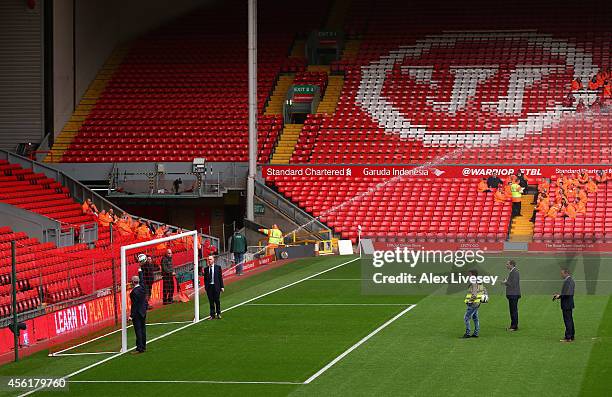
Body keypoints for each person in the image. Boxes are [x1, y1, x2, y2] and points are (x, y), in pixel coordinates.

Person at [553, 268, 575, 342]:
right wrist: (559, 295)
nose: (561, 275)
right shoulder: (570, 281)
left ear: (566, 273)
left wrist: (559, 296)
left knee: (567, 321)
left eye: (562, 273)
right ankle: (571, 335)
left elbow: (567, 294)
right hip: (569, 303)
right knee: (570, 320)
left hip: (566, 304)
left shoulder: (568, 281)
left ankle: (568, 337)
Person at [462, 269, 486, 338]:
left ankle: (468, 333)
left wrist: (470, 301)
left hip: (473, 303)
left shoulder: (474, 282)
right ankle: (476, 333)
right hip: (478, 303)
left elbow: (474, 294)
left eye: (469, 274)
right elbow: (484, 290)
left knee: (466, 318)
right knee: (475, 317)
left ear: (472, 274)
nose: (468, 276)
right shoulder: (479, 281)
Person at [129, 275, 147, 353]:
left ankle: (139, 348)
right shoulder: (142, 288)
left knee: (138, 331)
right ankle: (143, 346)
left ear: (133, 282)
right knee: (143, 329)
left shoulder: (133, 292)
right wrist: (140, 270)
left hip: (137, 314)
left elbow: (134, 305)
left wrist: (131, 316)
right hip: (143, 312)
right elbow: (142, 281)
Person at [503, 260, 521, 331]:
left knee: (513, 310)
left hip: (513, 294)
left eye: (507, 264)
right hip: (512, 294)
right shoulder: (513, 272)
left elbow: (513, 284)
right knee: (513, 310)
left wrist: (505, 282)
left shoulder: (515, 272)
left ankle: (514, 326)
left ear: (512, 265)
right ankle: (513, 325)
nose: (506, 265)